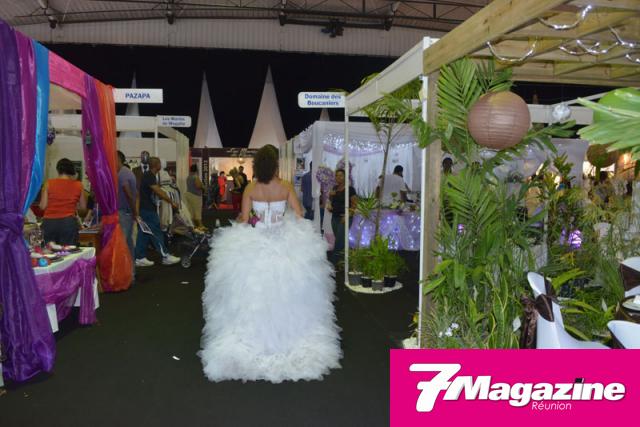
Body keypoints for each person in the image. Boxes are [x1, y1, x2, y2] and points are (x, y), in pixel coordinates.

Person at [199, 144, 341, 383]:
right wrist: (282, 218)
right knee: (287, 291)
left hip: (255, 241)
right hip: (283, 242)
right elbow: (299, 215)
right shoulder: (285, 186)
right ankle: (288, 337)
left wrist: (254, 219)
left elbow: (246, 219)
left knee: (251, 293)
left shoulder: (251, 188)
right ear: (275, 165)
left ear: (257, 166)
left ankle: (252, 338)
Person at [134, 157, 180, 266]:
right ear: (157, 165)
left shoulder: (150, 175)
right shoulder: (149, 176)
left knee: (144, 233)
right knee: (156, 231)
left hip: (145, 209)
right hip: (147, 209)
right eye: (160, 163)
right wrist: (171, 202)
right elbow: (158, 191)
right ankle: (165, 256)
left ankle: (139, 257)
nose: (161, 165)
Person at [39, 158, 87, 245]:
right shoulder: (79, 185)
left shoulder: (48, 183)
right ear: (71, 170)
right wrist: (73, 205)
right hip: (68, 223)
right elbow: (83, 208)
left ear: (58, 170)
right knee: (68, 251)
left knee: (49, 251)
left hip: (49, 223)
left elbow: (43, 206)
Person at [327, 169, 357, 265]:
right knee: (340, 240)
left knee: (339, 242)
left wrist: (348, 215)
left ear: (345, 177)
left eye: (341, 175)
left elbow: (354, 205)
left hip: (344, 218)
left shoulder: (350, 189)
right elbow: (331, 201)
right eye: (336, 175)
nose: (338, 177)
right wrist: (330, 200)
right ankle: (344, 262)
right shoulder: (334, 188)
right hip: (334, 218)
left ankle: (333, 263)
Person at [117, 151, 138, 284]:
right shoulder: (125, 172)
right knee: (128, 244)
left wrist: (134, 211)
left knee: (123, 245)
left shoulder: (123, 174)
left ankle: (125, 275)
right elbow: (134, 194)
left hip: (124, 213)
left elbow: (129, 194)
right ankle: (130, 274)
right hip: (126, 213)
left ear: (118, 158)